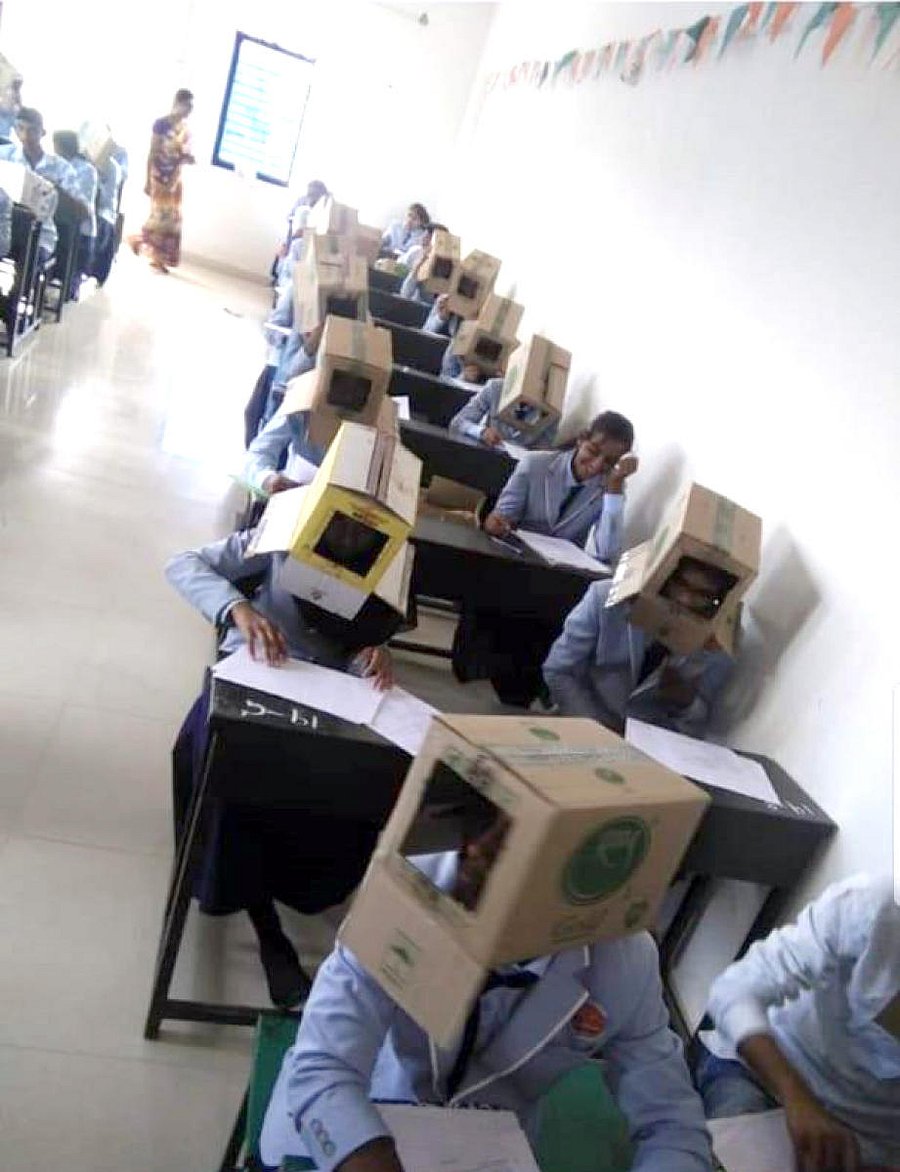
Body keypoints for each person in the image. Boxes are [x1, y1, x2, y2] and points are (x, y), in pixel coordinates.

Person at [261, 848, 713, 1172]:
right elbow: (324, 1067)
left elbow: (672, 1124)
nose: (481, 855)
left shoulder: (625, 959)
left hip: (500, 1140)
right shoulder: (403, 894)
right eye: (485, 838)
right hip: (370, 1108)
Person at [165, 524, 397, 1007]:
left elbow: (360, 642)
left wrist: (373, 656)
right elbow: (183, 563)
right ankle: (267, 929)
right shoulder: (287, 527)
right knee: (239, 777)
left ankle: (302, 886)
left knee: (359, 786)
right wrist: (239, 608)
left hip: (327, 691)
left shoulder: (389, 556)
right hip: (257, 671)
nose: (351, 533)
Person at [697, 873, 900, 1172]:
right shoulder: (876, 904)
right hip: (765, 1073)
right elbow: (734, 991)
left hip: (865, 1142)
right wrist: (797, 1098)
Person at [543, 563, 737, 736]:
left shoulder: (715, 647)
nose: (685, 599)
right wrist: (597, 731)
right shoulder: (608, 597)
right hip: (581, 721)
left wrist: (685, 703)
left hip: (644, 745)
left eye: (702, 594)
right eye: (681, 584)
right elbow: (559, 671)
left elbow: (697, 725)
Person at [484, 410, 637, 552]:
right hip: (516, 553)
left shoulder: (611, 487)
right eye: (592, 451)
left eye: (609, 461)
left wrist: (614, 488)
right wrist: (497, 524)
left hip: (559, 568)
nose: (596, 466)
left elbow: (606, 551)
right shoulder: (535, 465)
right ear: (581, 440)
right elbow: (500, 519)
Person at [0, 108, 89, 266]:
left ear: (43, 133)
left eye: (32, 130)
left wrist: (56, 189)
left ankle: (23, 282)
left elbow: (82, 212)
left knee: (30, 254)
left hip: (41, 236)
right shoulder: (4, 156)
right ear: (15, 129)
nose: (26, 136)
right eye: (21, 128)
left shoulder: (61, 168)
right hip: (4, 228)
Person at [129, 88, 195, 273]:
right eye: (187, 106)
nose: (189, 111)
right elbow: (153, 152)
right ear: (177, 103)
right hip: (159, 175)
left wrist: (186, 159)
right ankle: (138, 240)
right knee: (160, 218)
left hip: (175, 177)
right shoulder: (161, 124)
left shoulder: (185, 129)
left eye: (191, 108)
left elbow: (183, 154)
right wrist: (147, 180)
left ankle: (159, 259)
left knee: (173, 220)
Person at [450, 377, 559, 449]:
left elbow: (545, 450)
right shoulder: (495, 388)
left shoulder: (553, 411)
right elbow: (458, 422)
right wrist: (482, 432)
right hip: (486, 453)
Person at [52, 130, 98, 297]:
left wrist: (56, 188)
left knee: (68, 287)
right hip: (60, 225)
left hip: (80, 233)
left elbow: (82, 210)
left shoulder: (86, 170)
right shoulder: (56, 164)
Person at [91, 147, 122, 285]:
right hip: (86, 208)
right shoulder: (83, 163)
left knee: (98, 223)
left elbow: (106, 200)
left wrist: (95, 179)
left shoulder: (113, 168)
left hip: (103, 211)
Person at [399, 220, 447, 301]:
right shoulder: (415, 252)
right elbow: (404, 294)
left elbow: (431, 299)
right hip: (409, 301)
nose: (423, 237)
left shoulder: (445, 265)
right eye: (425, 233)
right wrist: (418, 266)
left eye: (428, 235)